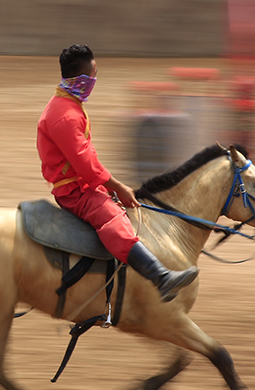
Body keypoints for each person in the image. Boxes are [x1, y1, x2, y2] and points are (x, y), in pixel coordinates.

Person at [37, 44, 198, 302]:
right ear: (81, 80)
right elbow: (85, 163)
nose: (95, 81)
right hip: (75, 192)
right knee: (112, 218)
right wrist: (117, 187)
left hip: (83, 183)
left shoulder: (68, 103)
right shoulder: (64, 115)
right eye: (93, 75)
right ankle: (161, 278)